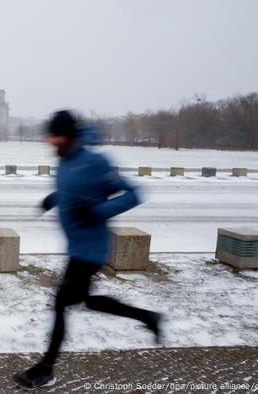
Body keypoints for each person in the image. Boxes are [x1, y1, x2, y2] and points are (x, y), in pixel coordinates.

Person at [13, 110, 163, 390]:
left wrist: (97, 210)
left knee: (61, 304)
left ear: (68, 137)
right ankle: (148, 317)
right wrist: (52, 199)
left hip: (92, 249)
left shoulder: (97, 161)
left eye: (56, 138)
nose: (51, 144)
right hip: (76, 247)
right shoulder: (64, 162)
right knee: (86, 301)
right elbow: (71, 191)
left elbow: (134, 193)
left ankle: (46, 369)